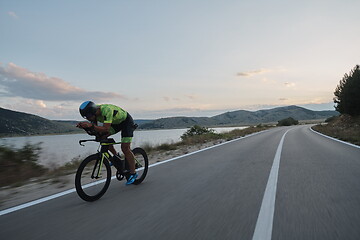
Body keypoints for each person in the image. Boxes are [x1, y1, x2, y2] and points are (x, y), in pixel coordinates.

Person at [76, 101, 138, 185]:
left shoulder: (106, 110)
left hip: (126, 122)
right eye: (85, 117)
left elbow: (105, 129)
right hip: (115, 123)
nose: (88, 119)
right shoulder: (93, 114)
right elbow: (97, 130)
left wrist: (91, 126)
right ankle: (116, 156)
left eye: (89, 116)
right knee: (103, 138)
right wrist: (85, 127)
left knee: (125, 148)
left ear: (94, 112)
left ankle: (133, 173)